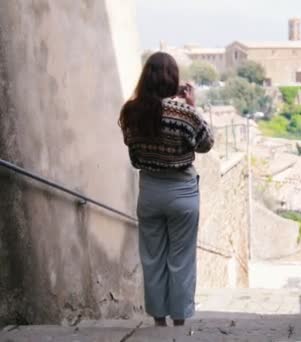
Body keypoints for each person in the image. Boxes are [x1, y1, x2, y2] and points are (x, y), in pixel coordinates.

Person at [118, 52, 214, 327]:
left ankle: (158, 321)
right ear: (174, 80)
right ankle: (180, 321)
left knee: (152, 257)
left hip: (149, 190)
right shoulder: (184, 112)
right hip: (182, 191)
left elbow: (133, 152)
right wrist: (193, 106)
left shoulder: (130, 112)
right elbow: (206, 144)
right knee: (181, 259)